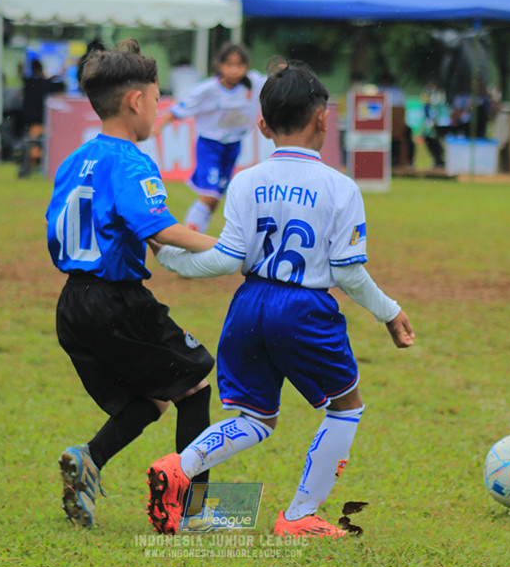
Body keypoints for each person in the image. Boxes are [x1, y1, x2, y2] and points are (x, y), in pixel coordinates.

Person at [144, 60, 415, 538]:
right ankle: (298, 516)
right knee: (346, 405)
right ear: (324, 118)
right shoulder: (341, 187)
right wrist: (389, 312)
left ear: (263, 124)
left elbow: (226, 259)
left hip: (248, 305)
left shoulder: (246, 181)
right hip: (305, 309)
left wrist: (169, 260)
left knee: (256, 417)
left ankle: (178, 466)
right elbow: (349, 272)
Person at [46, 39, 219, 530]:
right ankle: (191, 510)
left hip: (74, 303)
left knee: (151, 400)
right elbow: (161, 229)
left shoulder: (74, 160)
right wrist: (230, 248)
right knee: (195, 387)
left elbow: (91, 225)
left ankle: (90, 459)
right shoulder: (132, 161)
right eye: (158, 98)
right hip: (116, 300)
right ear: (137, 101)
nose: (159, 108)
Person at [152, 42, 266, 233]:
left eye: (239, 65)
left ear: (246, 66)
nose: (234, 70)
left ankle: (196, 237)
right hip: (210, 146)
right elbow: (180, 110)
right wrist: (158, 127)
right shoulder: (207, 89)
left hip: (233, 146)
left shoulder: (254, 83)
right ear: (220, 65)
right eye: (229, 64)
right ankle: (186, 239)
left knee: (216, 199)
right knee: (209, 195)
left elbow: (276, 84)